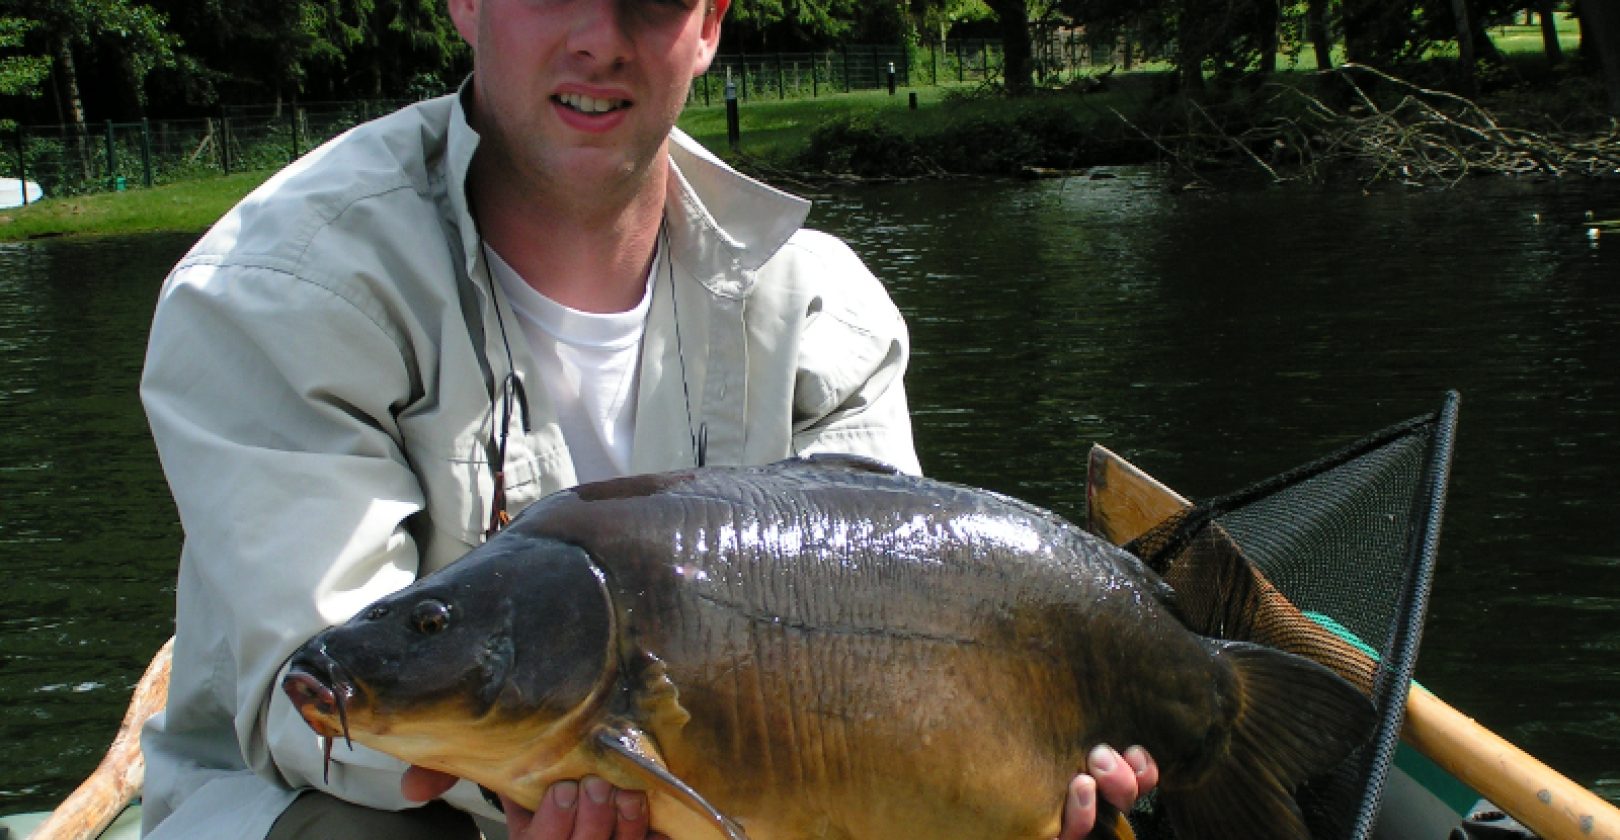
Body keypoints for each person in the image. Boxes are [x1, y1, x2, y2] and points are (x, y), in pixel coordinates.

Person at [138, 0, 1158, 838]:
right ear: (465, 3)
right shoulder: (275, 292)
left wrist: (997, 775)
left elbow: (888, 659)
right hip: (349, 813)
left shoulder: (823, 308)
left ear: (708, 24)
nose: (601, 37)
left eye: (653, 0)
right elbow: (314, 698)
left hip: (737, 797)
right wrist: (571, 775)